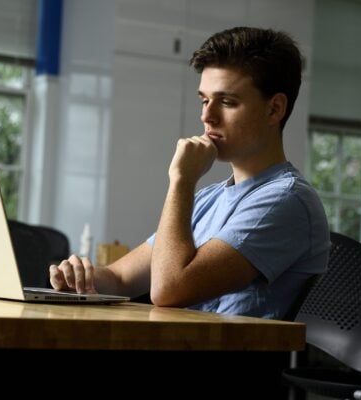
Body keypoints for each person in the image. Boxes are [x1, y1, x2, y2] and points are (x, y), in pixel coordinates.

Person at [49, 26, 330, 319]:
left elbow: (168, 289)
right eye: (204, 100)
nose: (206, 116)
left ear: (274, 109)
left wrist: (181, 180)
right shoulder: (209, 198)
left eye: (227, 101)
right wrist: (81, 280)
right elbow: (120, 279)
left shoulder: (286, 201)